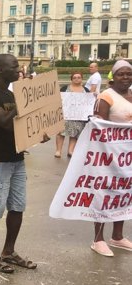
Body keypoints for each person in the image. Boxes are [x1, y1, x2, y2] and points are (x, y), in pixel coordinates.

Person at [0, 54, 37, 273]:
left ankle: (9, 251)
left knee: (17, 206)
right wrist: (22, 101)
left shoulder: (12, 95)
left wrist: (38, 132)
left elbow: (21, 125)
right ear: (0, 70)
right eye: (14, 66)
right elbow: (5, 122)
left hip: (16, 159)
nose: (19, 69)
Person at [90, 59, 132, 256]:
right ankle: (98, 239)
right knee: (104, 196)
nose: (125, 77)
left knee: (123, 195)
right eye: (121, 74)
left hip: (126, 157)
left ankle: (117, 236)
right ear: (113, 77)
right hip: (107, 157)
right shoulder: (106, 96)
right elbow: (99, 125)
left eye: (129, 74)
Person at [55, 72, 88, 158]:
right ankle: (58, 150)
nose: (77, 79)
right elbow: (58, 99)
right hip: (65, 115)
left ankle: (70, 150)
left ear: (82, 79)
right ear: (71, 79)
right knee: (61, 132)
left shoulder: (86, 90)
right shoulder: (65, 88)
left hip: (78, 116)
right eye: (75, 77)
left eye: (79, 77)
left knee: (75, 134)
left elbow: (89, 102)